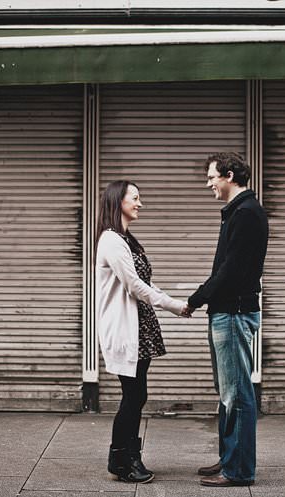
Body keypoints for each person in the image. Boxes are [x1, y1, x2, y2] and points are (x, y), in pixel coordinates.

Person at [95, 180, 190, 484]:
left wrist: (174, 303)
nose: (140, 203)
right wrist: (174, 305)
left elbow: (143, 283)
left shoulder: (127, 239)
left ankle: (124, 457)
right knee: (133, 395)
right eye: (134, 198)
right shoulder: (111, 240)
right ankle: (124, 459)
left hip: (140, 326)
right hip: (126, 328)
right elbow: (134, 286)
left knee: (136, 394)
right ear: (118, 201)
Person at [185, 152, 269, 487]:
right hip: (226, 311)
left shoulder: (246, 213)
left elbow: (231, 270)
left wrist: (196, 298)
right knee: (228, 392)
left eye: (211, 177)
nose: (209, 184)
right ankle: (228, 459)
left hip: (233, 312)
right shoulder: (238, 212)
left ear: (229, 175)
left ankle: (238, 470)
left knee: (238, 394)